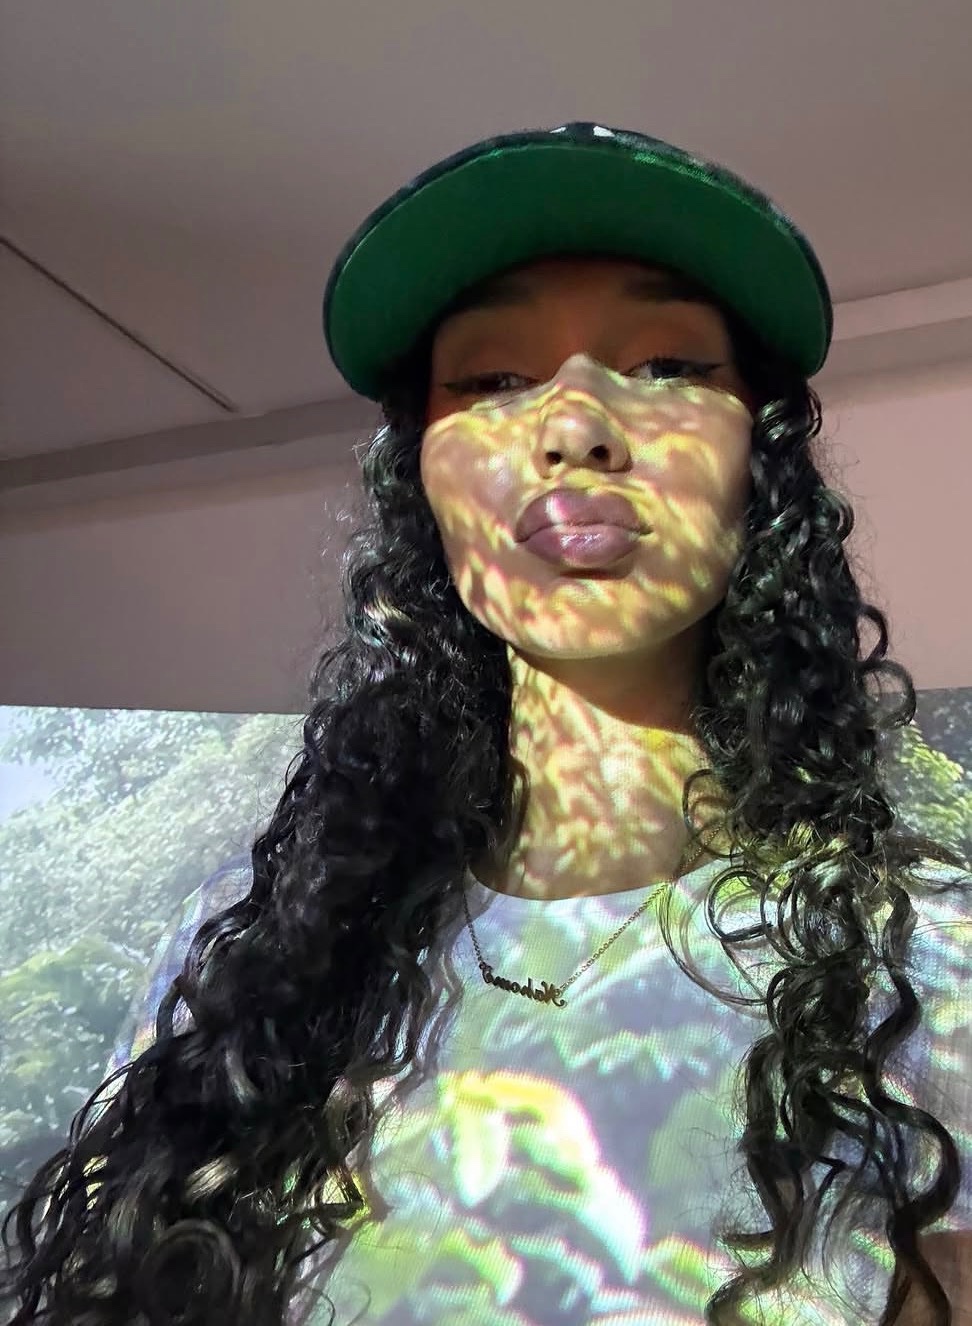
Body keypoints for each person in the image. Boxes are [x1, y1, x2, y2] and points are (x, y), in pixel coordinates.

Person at [1, 122, 970, 1325]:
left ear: (758, 457)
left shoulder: (930, 969)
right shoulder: (243, 958)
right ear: (423, 474)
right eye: (494, 381)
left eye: (669, 364)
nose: (576, 426)